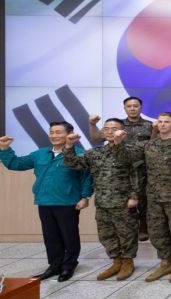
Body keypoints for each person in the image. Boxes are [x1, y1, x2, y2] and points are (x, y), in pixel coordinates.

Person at [0, 122, 92, 282]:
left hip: (68, 201)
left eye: (58, 132)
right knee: (51, 236)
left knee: (69, 235)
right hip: (44, 200)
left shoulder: (79, 153)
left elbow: (87, 177)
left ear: (69, 134)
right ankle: (55, 265)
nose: (54, 135)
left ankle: (69, 266)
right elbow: (16, 164)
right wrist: (5, 149)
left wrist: (85, 197)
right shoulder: (40, 154)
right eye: (52, 132)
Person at [64, 119, 139, 281]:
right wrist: (69, 146)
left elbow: (132, 170)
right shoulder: (95, 152)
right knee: (106, 234)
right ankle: (116, 261)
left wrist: (134, 197)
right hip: (103, 202)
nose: (110, 131)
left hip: (123, 201)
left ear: (123, 131)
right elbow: (72, 164)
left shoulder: (132, 149)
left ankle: (128, 262)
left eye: (115, 128)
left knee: (126, 233)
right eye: (107, 128)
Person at [127, 112, 171, 283]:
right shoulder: (149, 145)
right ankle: (165, 263)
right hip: (154, 197)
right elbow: (129, 161)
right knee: (157, 232)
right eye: (160, 122)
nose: (163, 124)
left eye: (167, 122)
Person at [89, 96, 153, 241]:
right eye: (129, 106)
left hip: (143, 167)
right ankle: (129, 227)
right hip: (120, 168)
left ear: (140, 108)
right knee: (124, 198)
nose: (132, 108)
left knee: (143, 198)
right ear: (124, 108)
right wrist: (92, 124)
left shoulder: (149, 125)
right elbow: (96, 138)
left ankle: (143, 226)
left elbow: (153, 144)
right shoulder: (117, 125)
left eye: (135, 106)